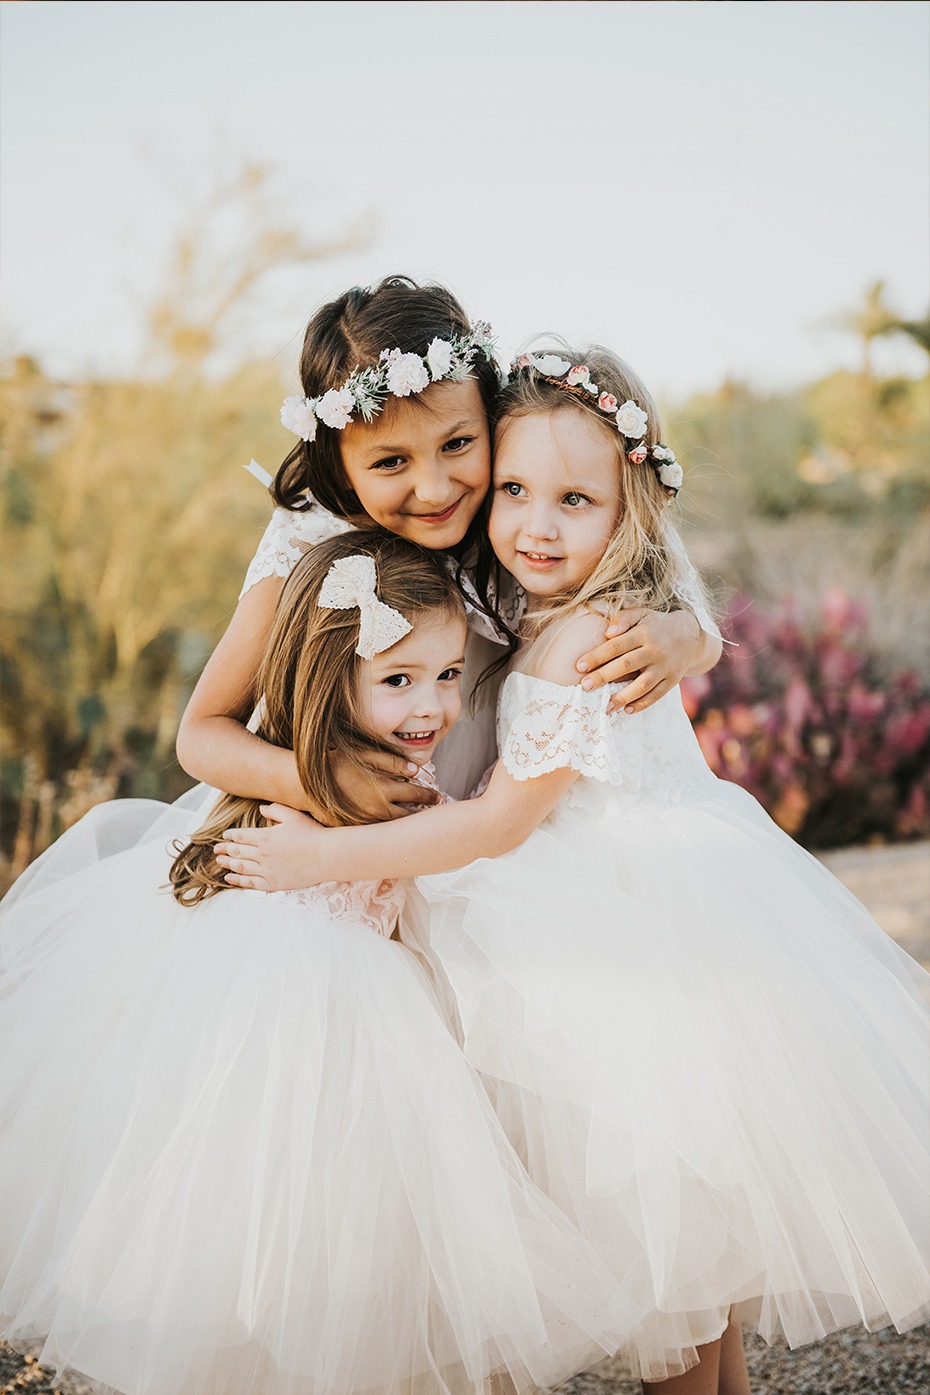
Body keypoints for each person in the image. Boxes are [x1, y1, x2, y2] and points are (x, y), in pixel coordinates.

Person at [217, 345, 930, 1394]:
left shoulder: (579, 640)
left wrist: (320, 852)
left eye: (571, 500)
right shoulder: (563, 600)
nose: (534, 524)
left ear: (628, 504)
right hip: (656, 918)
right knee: (696, 1273)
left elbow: (502, 822)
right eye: (513, 490)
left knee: (670, 1259)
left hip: (610, 937)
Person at [0, 530, 640, 1395]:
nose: (432, 706)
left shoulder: (393, 770)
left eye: (450, 675)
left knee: (360, 1258)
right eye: (400, 679)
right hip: (297, 1008)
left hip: (350, 994)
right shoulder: (353, 778)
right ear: (335, 676)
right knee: (278, 1242)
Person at [176, 275, 722, 814]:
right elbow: (201, 735)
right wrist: (321, 781)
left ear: (490, 419)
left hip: (473, 827)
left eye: (458, 444)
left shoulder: (525, 510)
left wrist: (684, 637)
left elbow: (678, 602)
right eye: (391, 462)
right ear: (340, 469)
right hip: (336, 825)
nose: (436, 489)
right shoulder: (311, 542)